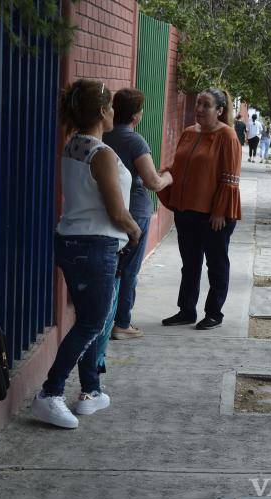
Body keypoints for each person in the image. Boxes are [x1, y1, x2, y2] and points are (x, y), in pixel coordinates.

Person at [30, 79, 141, 429]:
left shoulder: (73, 145)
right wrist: (135, 230)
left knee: (91, 320)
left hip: (73, 243)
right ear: (104, 111)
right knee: (93, 322)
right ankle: (50, 393)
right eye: (110, 108)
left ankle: (91, 391)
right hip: (96, 247)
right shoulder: (101, 153)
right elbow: (117, 212)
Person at [157, 88, 242, 330]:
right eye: (198, 104)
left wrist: (219, 211)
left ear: (220, 110)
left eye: (206, 105)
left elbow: (230, 178)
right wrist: (162, 175)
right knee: (190, 264)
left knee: (216, 264)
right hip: (186, 212)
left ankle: (214, 313)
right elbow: (179, 165)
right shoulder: (188, 133)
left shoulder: (227, 136)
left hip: (214, 216)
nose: (200, 109)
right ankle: (186, 310)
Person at [102, 88, 172, 341]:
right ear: (136, 116)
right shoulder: (135, 141)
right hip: (135, 213)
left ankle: (106, 318)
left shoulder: (104, 136)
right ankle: (122, 322)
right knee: (129, 269)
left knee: (112, 266)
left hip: (109, 209)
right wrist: (169, 176)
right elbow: (153, 182)